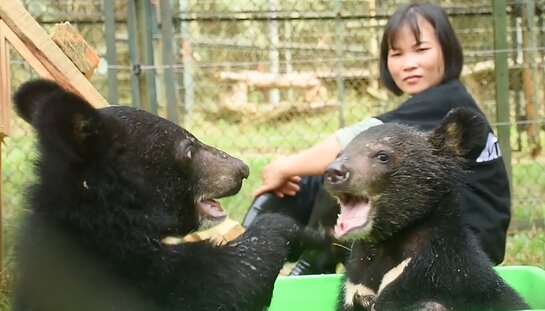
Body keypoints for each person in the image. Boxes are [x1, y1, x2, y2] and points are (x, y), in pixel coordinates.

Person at [242, 2, 511, 275]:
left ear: (447, 50)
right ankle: (249, 247)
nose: (409, 64)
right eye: (397, 54)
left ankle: (311, 264)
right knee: (316, 179)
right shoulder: (436, 100)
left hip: (464, 246)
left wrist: (282, 167)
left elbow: (351, 140)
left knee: (345, 169)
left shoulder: (445, 100)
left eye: (421, 50)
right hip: (448, 233)